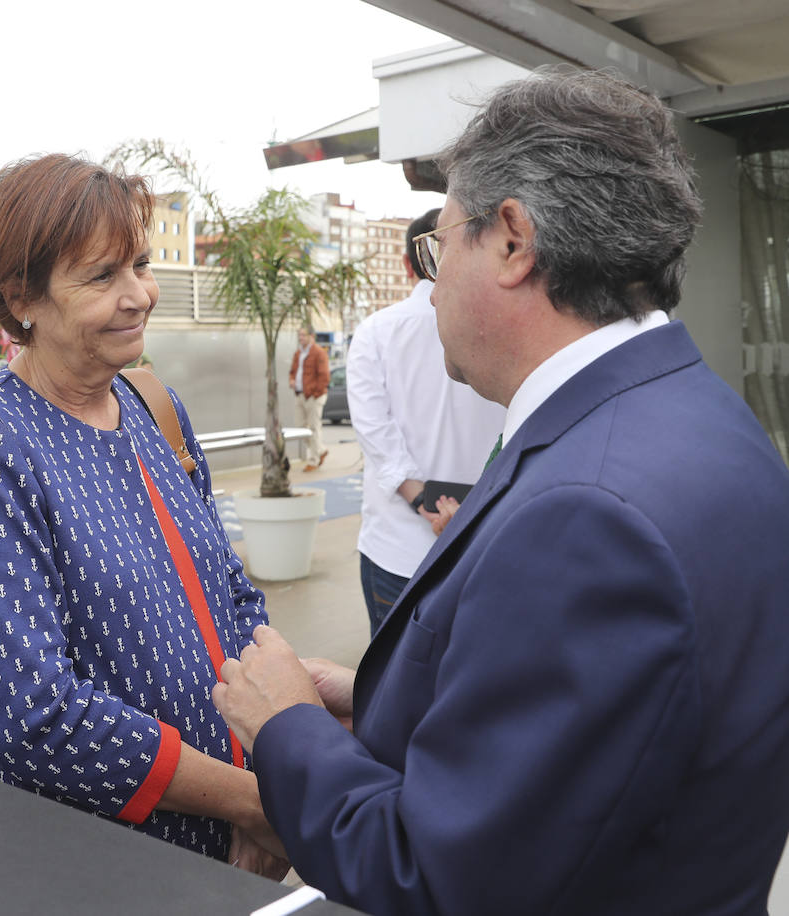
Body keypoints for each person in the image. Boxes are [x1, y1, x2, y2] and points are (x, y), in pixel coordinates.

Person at [212, 67, 789, 915]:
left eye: (439, 243)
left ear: (513, 242)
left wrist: (286, 728)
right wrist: (374, 694)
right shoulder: (711, 421)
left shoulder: (587, 516)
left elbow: (442, 878)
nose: (434, 279)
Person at [0, 153, 285, 876]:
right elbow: (32, 717)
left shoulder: (156, 406)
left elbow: (232, 599)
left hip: (238, 845)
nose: (140, 295)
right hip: (104, 865)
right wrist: (250, 802)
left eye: (141, 264)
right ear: (20, 299)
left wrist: (282, 769)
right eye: (102, 277)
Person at [347, 208, 504, 633]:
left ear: (406, 263)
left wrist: (424, 502)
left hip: (397, 548)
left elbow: (374, 432)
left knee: (393, 687)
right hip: (486, 541)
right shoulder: (502, 326)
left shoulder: (376, 331)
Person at [288, 326, 330, 470]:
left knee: (314, 427)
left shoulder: (319, 353)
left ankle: (314, 460)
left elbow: (324, 376)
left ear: (312, 336)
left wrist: (314, 393)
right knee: (300, 428)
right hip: (300, 394)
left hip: (314, 396)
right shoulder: (298, 353)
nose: (300, 338)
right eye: (299, 335)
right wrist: (292, 380)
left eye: (303, 335)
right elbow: (292, 371)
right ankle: (321, 449)